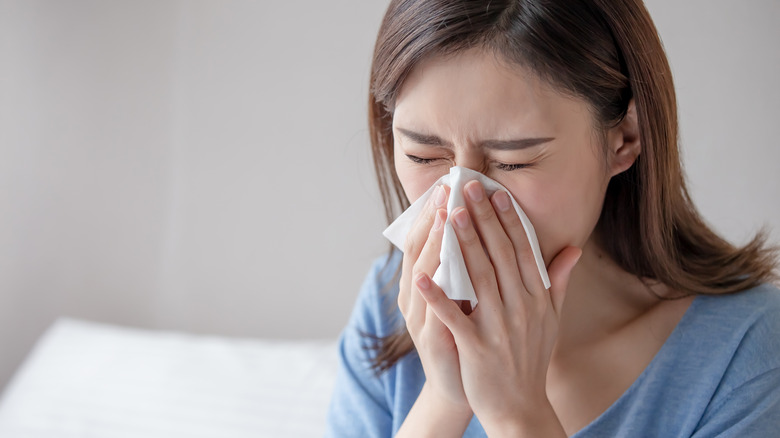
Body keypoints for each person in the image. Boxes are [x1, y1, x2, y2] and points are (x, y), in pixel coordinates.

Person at [325, 0, 780, 436]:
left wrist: (516, 415)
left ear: (624, 136)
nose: (461, 207)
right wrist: (445, 400)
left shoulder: (746, 353)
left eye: (514, 162)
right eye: (423, 154)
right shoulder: (389, 307)